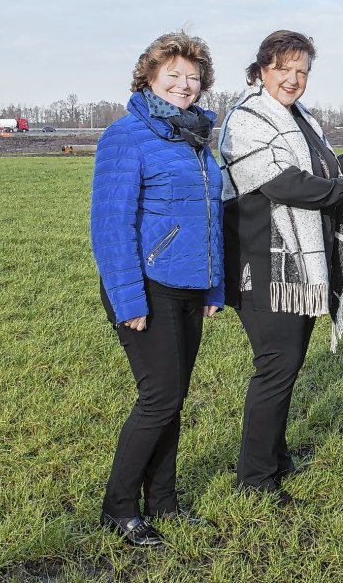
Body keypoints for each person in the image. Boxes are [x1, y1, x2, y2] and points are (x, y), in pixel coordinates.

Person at [218, 29, 343, 502]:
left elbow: (317, 175)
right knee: (275, 367)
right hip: (267, 266)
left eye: (302, 71)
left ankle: (274, 456)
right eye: (282, 68)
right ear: (261, 70)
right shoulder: (247, 119)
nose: (293, 78)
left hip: (301, 268)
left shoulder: (300, 117)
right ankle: (255, 480)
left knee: (285, 366)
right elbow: (283, 183)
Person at [90, 31, 225, 546]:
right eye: (173, 75)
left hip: (189, 284)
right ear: (148, 78)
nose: (184, 85)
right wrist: (129, 300)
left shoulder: (194, 137)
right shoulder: (126, 136)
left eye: (193, 77)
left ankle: (163, 503)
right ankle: (119, 507)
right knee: (159, 398)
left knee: (173, 399)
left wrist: (213, 287)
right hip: (147, 286)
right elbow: (111, 226)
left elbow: (209, 217)